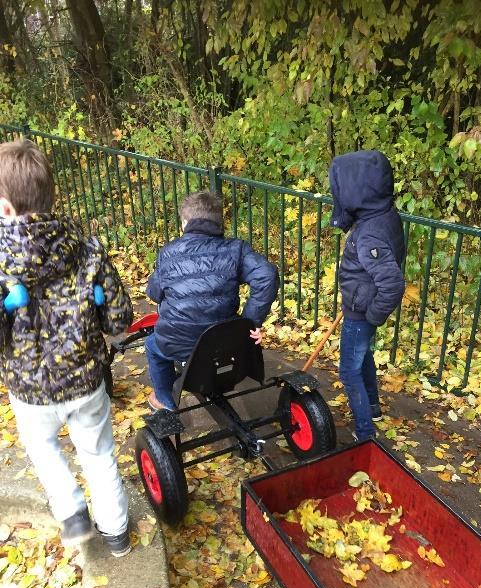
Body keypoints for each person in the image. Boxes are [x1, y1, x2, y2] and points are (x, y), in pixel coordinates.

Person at [0, 139, 133, 556]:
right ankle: (116, 533)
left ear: (5, 209)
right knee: (99, 453)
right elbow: (120, 320)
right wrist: (98, 303)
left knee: (42, 448)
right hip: (86, 382)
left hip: (30, 391)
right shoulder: (88, 251)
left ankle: (73, 512)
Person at [145, 190, 279, 410]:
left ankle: (164, 399)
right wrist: (250, 322)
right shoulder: (236, 249)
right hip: (225, 341)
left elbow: (154, 293)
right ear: (219, 222)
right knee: (214, 339)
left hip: (178, 342)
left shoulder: (168, 252)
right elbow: (267, 276)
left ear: (185, 222)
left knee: (152, 346)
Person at [329, 150, 405, 441]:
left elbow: (392, 283)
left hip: (360, 314)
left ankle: (365, 435)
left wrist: (371, 314)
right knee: (364, 358)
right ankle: (372, 408)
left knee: (348, 371)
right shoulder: (383, 214)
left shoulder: (371, 233)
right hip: (361, 306)